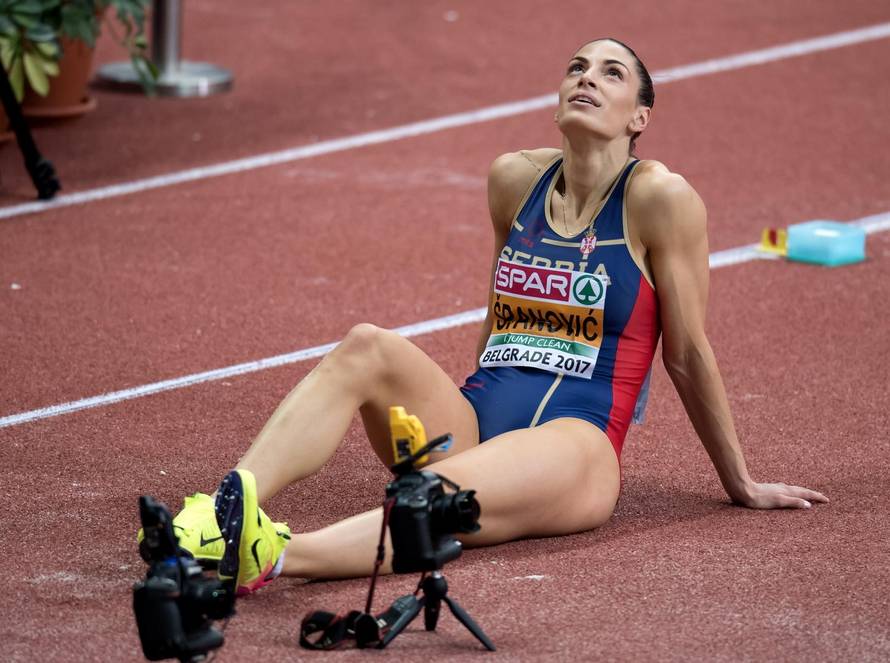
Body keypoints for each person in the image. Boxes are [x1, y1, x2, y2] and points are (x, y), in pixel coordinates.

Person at [140, 38, 828, 596]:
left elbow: (687, 352)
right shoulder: (514, 180)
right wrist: (460, 416)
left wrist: (738, 479)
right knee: (366, 345)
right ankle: (223, 508)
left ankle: (275, 555)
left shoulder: (661, 201)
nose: (587, 78)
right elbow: (497, 317)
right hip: (475, 421)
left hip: (576, 446)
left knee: (433, 502)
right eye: (576, 68)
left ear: (638, 117)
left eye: (611, 73)